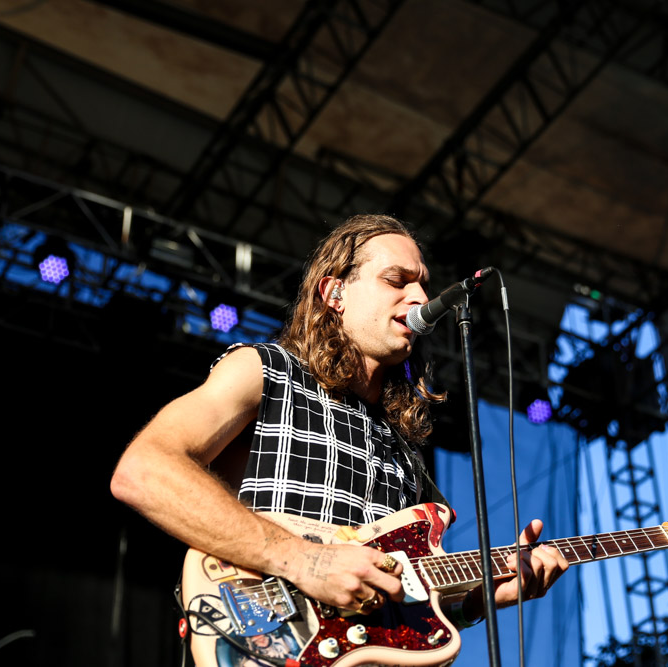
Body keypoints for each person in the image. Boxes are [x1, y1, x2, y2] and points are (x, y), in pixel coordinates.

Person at [110, 214, 568, 647]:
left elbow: (400, 596)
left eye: (423, 284)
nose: (419, 297)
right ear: (335, 293)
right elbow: (145, 470)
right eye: (397, 280)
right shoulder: (267, 371)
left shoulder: (404, 446)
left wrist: (476, 602)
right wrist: (303, 560)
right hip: (269, 638)